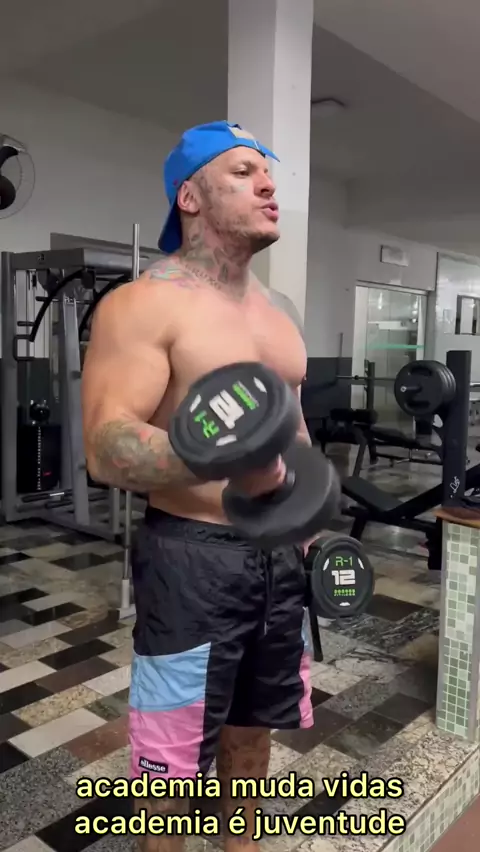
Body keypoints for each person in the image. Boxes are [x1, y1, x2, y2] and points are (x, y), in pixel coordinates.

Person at [82, 120, 315, 852]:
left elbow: (294, 431)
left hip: (279, 558)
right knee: (172, 758)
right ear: (190, 196)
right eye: (243, 172)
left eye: (268, 172)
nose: (268, 184)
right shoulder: (144, 304)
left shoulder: (278, 313)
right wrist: (230, 461)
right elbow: (106, 445)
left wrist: (310, 519)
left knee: (254, 726)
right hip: (193, 559)